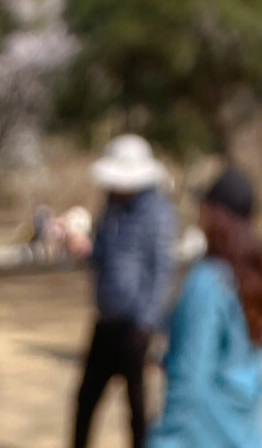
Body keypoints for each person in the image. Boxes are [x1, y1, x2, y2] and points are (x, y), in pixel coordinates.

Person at [147, 166, 262, 448]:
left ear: (213, 211)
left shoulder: (208, 282)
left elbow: (190, 381)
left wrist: (164, 440)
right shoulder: (257, 276)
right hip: (247, 436)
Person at [72, 135, 177, 448]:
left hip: (135, 325)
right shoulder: (110, 208)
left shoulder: (158, 213)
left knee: (136, 404)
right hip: (105, 320)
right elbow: (101, 254)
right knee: (86, 398)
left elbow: (161, 270)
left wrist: (146, 323)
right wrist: (84, 249)